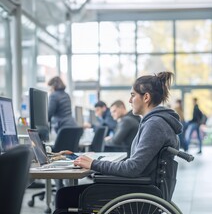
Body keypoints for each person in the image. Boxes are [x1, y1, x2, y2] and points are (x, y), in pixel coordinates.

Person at [57, 71, 182, 209]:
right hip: (143, 188)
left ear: (146, 97)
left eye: (133, 95)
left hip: (139, 193)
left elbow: (132, 168)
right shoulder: (156, 122)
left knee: (63, 195)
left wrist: (94, 164)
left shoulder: (154, 125)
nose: (129, 101)